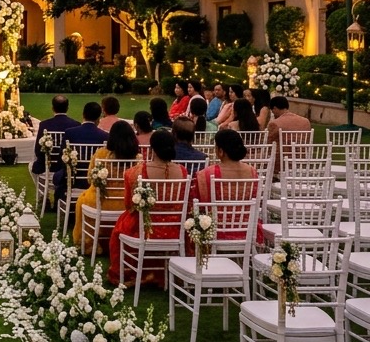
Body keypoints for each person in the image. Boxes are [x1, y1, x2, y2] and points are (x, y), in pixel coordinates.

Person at [106, 129, 186, 288]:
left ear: (153, 148)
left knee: (122, 224)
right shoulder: (183, 172)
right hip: (176, 229)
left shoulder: (135, 173)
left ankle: (133, 273)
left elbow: (129, 205)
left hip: (145, 228)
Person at [72, 120, 140, 250]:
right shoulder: (137, 158)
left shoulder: (101, 154)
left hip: (101, 202)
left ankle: (89, 243)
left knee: (82, 199)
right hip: (127, 204)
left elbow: (90, 179)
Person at [192, 129, 262, 245]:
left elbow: (198, 204)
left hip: (216, 232)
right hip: (247, 230)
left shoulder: (207, 174)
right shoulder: (252, 172)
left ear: (220, 151)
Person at [53, 101, 108, 205]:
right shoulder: (104, 136)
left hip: (73, 180)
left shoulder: (70, 132)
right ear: (98, 118)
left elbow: (62, 157)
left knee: (58, 176)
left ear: (83, 115)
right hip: (94, 180)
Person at [31, 94, 80, 174]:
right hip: (68, 165)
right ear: (67, 108)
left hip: (49, 165)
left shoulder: (44, 125)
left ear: (53, 108)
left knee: (31, 166)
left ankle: (42, 186)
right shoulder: (76, 124)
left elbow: (38, 150)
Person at [266, 95, 312, 172]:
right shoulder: (305, 121)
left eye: (272, 110)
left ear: (275, 108)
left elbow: (269, 144)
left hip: (281, 163)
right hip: (301, 161)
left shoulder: (274, 123)